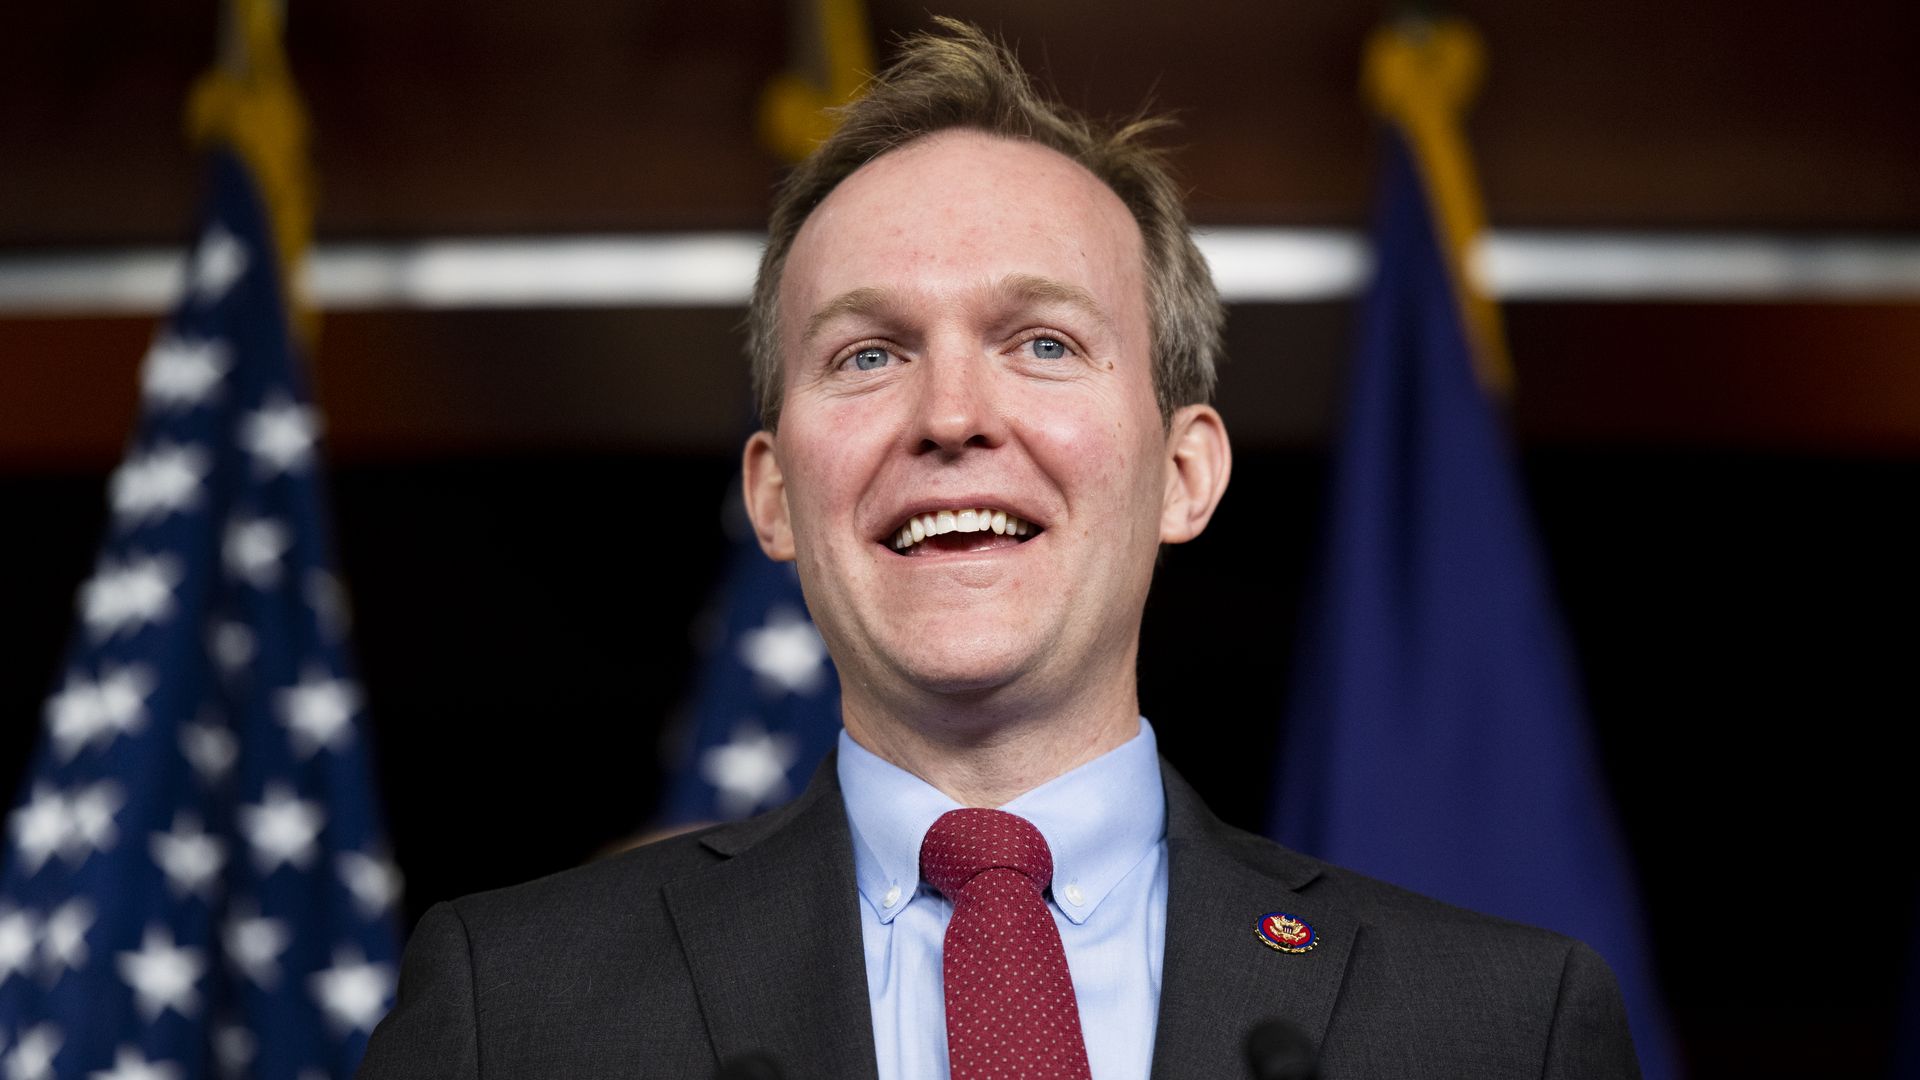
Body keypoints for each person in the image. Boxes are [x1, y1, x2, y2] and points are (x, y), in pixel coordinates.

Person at [359, 20, 1640, 1080]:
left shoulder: (1498, 1026)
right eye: (870, 354)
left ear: (1185, 471)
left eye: (1042, 343)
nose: (953, 416)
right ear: (776, 498)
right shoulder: (510, 1014)